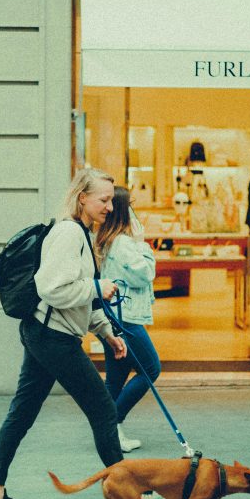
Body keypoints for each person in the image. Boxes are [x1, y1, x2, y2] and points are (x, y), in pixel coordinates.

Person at [0, 167, 165, 499]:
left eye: (111, 200)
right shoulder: (68, 234)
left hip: (45, 333)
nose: (110, 207)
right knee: (103, 410)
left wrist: (108, 332)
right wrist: (97, 288)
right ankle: (131, 496)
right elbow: (53, 288)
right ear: (83, 198)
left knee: (23, 412)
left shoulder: (83, 234)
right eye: (103, 200)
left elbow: (78, 297)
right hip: (53, 337)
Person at [96, 186, 161, 453]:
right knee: (150, 368)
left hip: (113, 316)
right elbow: (145, 273)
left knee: (116, 376)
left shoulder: (106, 239)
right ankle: (113, 423)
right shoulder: (123, 243)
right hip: (127, 318)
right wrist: (143, 242)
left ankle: (109, 433)